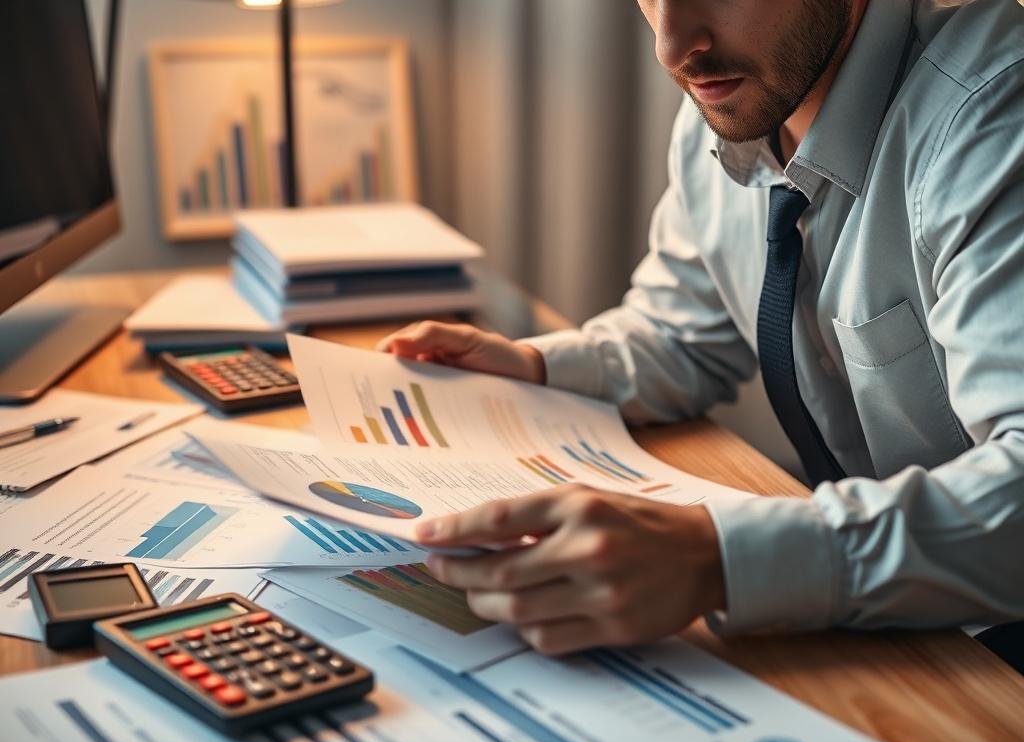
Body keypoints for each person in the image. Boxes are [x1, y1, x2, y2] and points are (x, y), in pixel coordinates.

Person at [377, 0, 1024, 665]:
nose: (671, 45)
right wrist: (534, 371)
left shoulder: (998, 116)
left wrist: (718, 557)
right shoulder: (734, 105)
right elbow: (680, 335)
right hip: (907, 637)